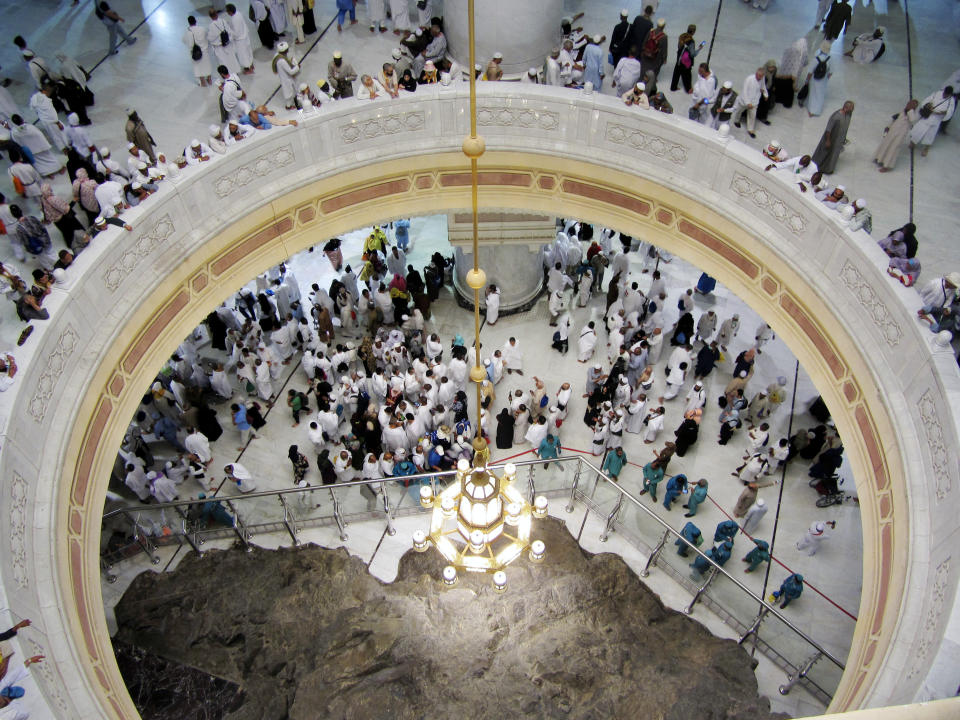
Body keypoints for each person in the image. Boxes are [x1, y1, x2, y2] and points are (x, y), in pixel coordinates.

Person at [910, 86, 956, 157]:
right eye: (944, 94)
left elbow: (950, 111)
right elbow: (926, 100)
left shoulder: (951, 100)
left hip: (937, 119)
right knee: (919, 130)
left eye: (947, 95)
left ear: (950, 94)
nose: (945, 95)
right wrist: (928, 105)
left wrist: (944, 113)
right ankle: (913, 142)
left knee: (930, 134)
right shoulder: (937, 93)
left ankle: (926, 148)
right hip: (929, 115)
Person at [874, 99, 918, 172]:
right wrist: (888, 127)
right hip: (893, 131)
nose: (909, 105)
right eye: (909, 104)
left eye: (912, 105)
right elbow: (894, 120)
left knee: (893, 148)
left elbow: (913, 120)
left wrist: (910, 111)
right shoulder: (902, 111)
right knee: (885, 144)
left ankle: (886, 165)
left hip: (900, 134)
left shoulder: (912, 114)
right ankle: (880, 159)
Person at [812, 100, 854, 174]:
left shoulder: (849, 115)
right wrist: (828, 140)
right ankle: (816, 167)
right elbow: (828, 130)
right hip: (832, 138)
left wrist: (844, 138)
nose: (852, 110)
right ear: (846, 108)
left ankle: (828, 169)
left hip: (839, 140)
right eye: (851, 108)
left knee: (834, 155)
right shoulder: (836, 116)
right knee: (824, 153)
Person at [732, 68, 768, 139]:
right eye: (759, 75)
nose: (760, 77)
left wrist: (765, 94)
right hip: (745, 100)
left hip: (755, 101)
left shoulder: (762, 79)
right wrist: (748, 102)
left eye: (761, 76)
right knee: (739, 111)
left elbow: (763, 86)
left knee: (752, 116)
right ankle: (736, 120)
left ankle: (750, 129)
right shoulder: (749, 79)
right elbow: (744, 90)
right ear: (756, 74)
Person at [775, 38, 808, 108]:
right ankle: (787, 103)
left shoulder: (790, 49)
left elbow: (782, 58)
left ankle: (778, 99)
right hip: (794, 75)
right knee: (790, 90)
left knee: (782, 85)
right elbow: (806, 63)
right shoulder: (804, 53)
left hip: (785, 71)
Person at [803, 41, 832, 117]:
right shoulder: (830, 59)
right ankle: (817, 111)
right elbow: (830, 72)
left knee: (813, 94)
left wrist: (807, 81)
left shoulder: (816, 59)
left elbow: (810, 72)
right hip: (823, 80)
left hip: (815, 79)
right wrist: (826, 79)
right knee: (820, 95)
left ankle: (811, 111)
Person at [670, 25, 702, 93]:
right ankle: (688, 89)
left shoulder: (682, 36)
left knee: (676, 73)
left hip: (679, 59)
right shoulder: (691, 41)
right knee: (687, 76)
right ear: (693, 32)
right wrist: (699, 49)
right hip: (686, 62)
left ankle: (673, 87)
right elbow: (692, 54)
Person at [225, 4, 255, 74]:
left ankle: (249, 69)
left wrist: (229, 30)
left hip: (240, 40)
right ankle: (251, 65)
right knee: (248, 52)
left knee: (243, 55)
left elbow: (236, 33)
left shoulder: (234, 20)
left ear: (230, 12)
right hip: (245, 36)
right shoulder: (238, 13)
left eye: (227, 11)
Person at [183, 15, 212, 86]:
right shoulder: (202, 29)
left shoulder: (187, 32)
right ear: (195, 21)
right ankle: (209, 78)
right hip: (204, 50)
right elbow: (207, 36)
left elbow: (184, 40)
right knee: (207, 65)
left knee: (198, 67)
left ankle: (202, 81)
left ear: (189, 23)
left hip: (194, 52)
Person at [272, 43, 300, 109]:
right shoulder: (282, 61)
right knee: (289, 93)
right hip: (287, 79)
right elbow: (291, 71)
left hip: (285, 77)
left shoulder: (277, 56)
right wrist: (297, 67)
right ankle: (288, 106)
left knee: (293, 89)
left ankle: (296, 100)